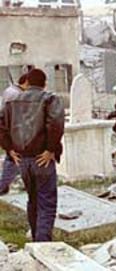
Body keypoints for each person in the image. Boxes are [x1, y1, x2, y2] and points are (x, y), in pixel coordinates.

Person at [0, 69, 64, 241]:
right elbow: (56, 125)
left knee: (33, 199)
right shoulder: (49, 99)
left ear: (27, 82)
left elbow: (1, 125)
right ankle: (42, 244)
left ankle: (36, 238)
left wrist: (9, 149)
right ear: (44, 83)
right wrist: (51, 149)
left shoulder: (11, 100)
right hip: (41, 157)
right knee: (47, 202)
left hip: (22, 158)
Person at [0, 73, 29, 195]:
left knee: (21, 163)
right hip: (14, 135)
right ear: (27, 82)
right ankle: (2, 186)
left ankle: (26, 184)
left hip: (9, 133)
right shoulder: (17, 95)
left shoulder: (10, 90)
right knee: (13, 163)